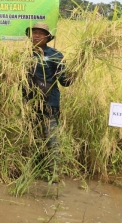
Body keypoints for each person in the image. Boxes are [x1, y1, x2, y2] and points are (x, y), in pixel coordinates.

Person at [24, 22, 73, 178]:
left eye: (40, 33)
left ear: (47, 37)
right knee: (33, 137)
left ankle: (54, 173)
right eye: (34, 32)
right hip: (29, 103)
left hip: (50, 103)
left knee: (51, 137)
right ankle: (36, 170)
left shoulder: (55, 55)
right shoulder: (24, 55)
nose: (37, 35)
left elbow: (65, 81)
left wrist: (76, 71)